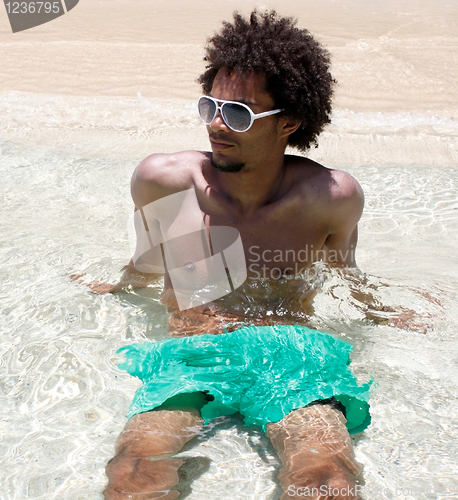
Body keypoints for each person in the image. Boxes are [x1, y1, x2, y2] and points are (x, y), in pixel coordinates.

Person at [97, 11, 369, 500]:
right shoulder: (165, 181)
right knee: (134, 469)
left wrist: (387, 312)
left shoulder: (329, 198)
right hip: (190, 355)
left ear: (289, 122)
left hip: (290, 355)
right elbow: (147, 261)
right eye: (210, 106)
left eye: (239, 113)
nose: (217, 124)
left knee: (327, 477)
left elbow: (347, 276)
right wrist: (116, 288)